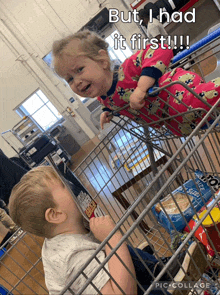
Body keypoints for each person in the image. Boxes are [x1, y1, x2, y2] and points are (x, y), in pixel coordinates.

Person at [8, 166, 208, 295]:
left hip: (106, 284)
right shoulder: (74, 257)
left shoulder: (65, 233)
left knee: (115, 250)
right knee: (114, 246)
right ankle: (170, 289)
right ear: (55, 215)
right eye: (64, 186)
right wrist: (114, 239)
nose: (71, 186)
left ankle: (160, 270)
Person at [51, 30, 220, 137]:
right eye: (70, 79)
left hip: (177, 91)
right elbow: (112, 102)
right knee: (180, 128)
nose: (77, 82)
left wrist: (142, 87)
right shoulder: (103, 97)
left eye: (79, 69)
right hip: (169, 118)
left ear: (102, 61)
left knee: (187, 106)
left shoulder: (128, 69)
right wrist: (107, 112)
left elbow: (161, 47)